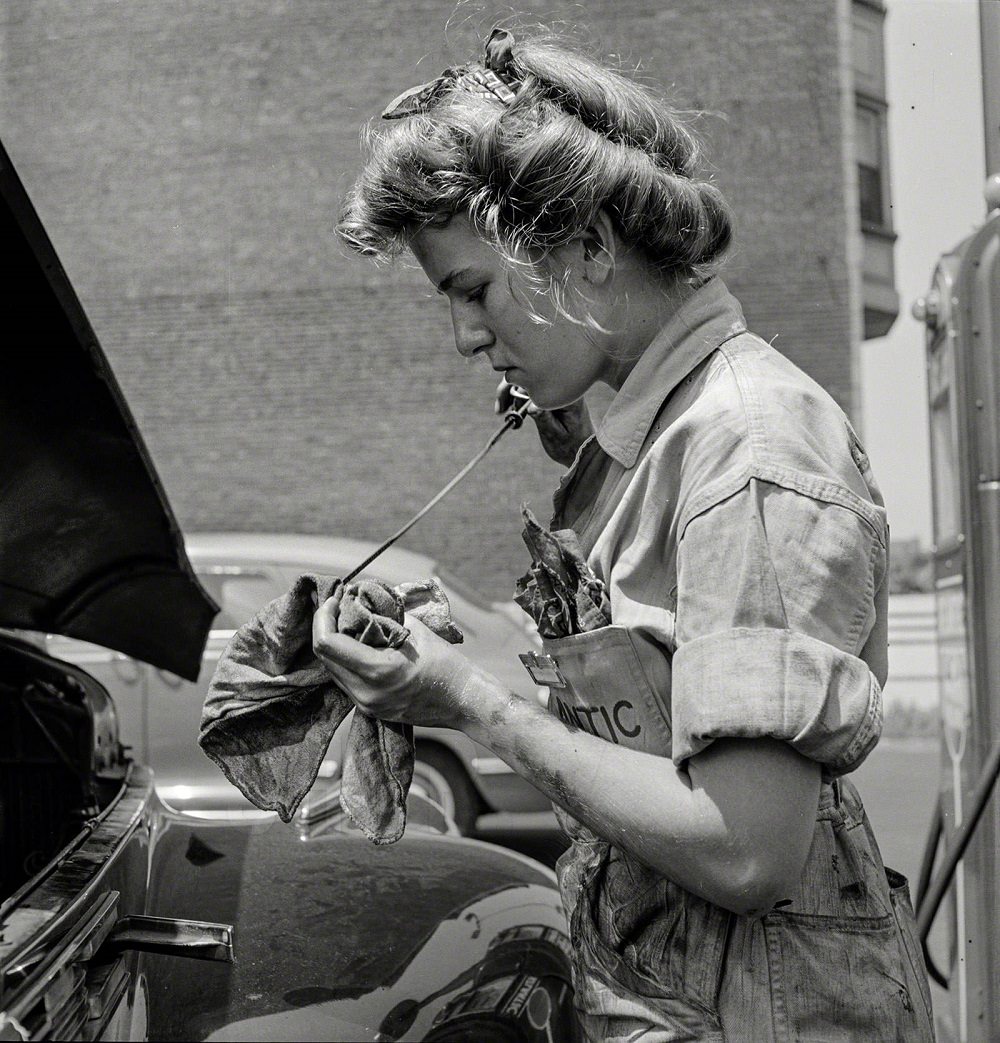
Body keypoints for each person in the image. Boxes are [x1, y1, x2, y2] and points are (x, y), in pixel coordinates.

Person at [317, 25, 935, 1042]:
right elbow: (658, 745)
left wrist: (471, 703)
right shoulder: (648, 440)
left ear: (589, 246)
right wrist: (439, 665)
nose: (467, 336)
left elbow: (742, 845)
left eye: (470, 291)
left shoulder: (743, 444)